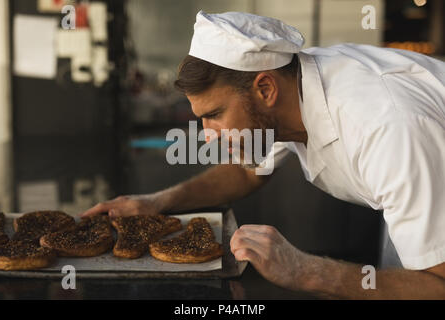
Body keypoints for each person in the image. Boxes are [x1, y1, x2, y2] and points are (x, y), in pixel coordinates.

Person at [82, 11, 445, 299]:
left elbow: (437, 285)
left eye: (215, 114)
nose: (207, 136)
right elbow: (247, 170)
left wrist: (306, 271)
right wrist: (157, 202)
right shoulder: (287, 91)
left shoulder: (386, 127)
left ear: (265, 89)